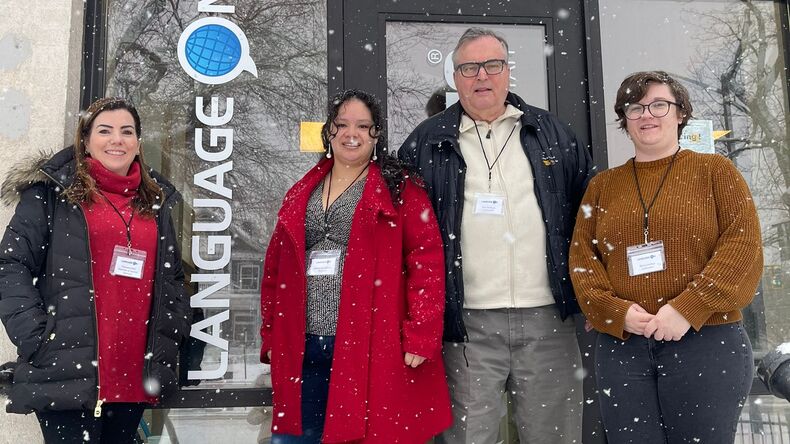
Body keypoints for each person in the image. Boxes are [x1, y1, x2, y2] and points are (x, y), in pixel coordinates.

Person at [398, 28, 593, 443]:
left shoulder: (552, 134)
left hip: (547, 319)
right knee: (470, 437)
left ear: (507, 71)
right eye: (469, 67)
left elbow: (589, 219)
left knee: (554, 436)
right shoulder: (426, 143)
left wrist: (595, 297)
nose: (481, 76)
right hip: (467, 325)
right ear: (455, 77)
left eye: (492, 65)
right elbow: (407, 240)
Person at [569, 71, 762, 443]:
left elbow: (743, 248)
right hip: (623, 347)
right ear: (625, 119)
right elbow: (583, 260)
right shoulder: (602, 187)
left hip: (706, 339)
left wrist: (688, 308)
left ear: (680, 113)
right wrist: (615, 311)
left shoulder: (715, 172)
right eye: (635, 108)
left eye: (659, 105)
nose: (647, 115)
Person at [259, 89, 451, 443]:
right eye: (343, 124)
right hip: (303, 343)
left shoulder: (400, 189)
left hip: (369, 343)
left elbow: (427, 262)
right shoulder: (302, 190)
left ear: (376, 135)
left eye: (363, 126)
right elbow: (275, 269)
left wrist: (421, 334)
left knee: (363, 435)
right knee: (297, 436)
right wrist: (271, 333)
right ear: (329, 131)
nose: (352, 134)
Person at [0, 97, 188, 443]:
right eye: (105, 130)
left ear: (138, 143)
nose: (117, 140)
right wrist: (38, 338)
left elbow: (173, 278)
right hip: (66, 369)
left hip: (134, 372)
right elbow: (11, 264)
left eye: (127, 132)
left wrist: (169, 335)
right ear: (85, 141)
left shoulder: (154, 202)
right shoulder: (53, 193)